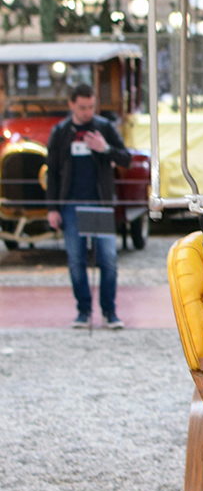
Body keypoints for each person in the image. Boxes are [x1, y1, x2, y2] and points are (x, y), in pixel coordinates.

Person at [45, 83, 131, 329]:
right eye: (82, 107)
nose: (87, 112)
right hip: (71, 205)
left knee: (108, 259)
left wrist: (105, 149)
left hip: (101, 203)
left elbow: (125, 157)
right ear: (71, 105)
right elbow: (52, 173)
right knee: (76, 260)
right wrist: (52, 208)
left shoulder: (104, 127)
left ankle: (109, 311)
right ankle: (83, 311)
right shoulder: (60, 132)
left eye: (91, 107)